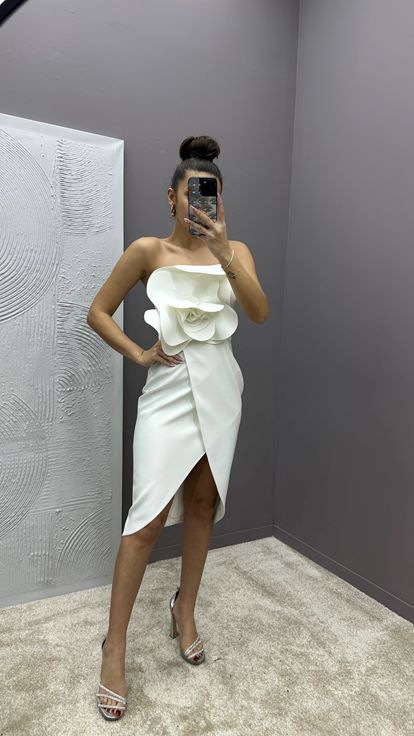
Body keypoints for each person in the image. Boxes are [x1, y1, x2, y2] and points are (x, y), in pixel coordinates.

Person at [87, 134, 269, 720]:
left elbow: (259, 312)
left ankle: (183, 610)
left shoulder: (235, 251)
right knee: (145, 520)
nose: (202, 204)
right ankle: (114, 647)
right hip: (168, 393)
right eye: (193, 193)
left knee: (202, 503)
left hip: (221, 390)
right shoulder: (147, 250)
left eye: (212, 194)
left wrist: (224, 252)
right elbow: (97, 312)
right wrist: (139, 354)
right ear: (172, 197)